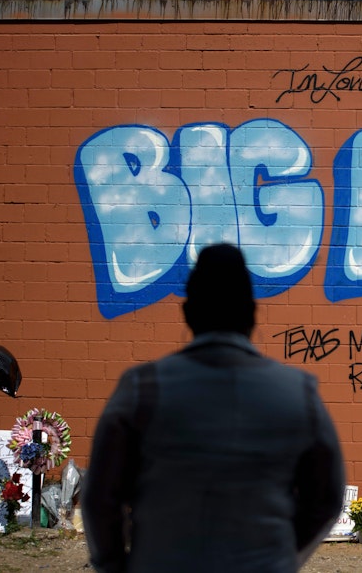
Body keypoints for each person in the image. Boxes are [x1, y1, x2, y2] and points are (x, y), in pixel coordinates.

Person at [82, 243, 346, 573]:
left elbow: (100, 498)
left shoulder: (141, 390)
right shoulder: (299, 393)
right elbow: (326, 499)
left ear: (188, 312)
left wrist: (113, 565)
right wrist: (281, 556)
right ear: (252, 313)